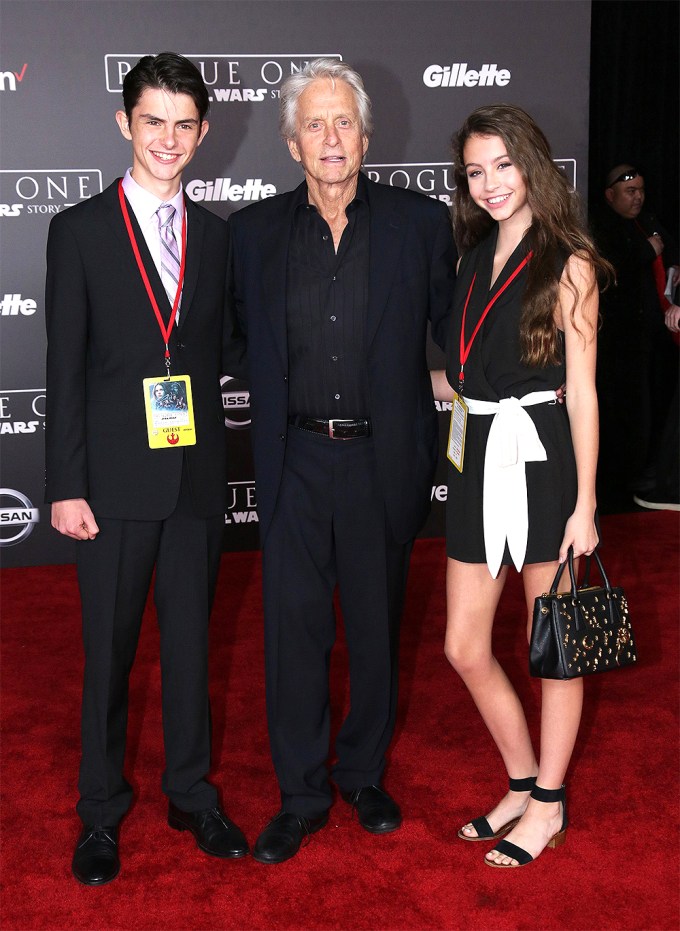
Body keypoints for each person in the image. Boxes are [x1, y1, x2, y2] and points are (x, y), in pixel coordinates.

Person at [226, 58, 456, 864]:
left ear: (366, 134)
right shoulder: (251, 236)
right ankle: (300, 793)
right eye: (315, 125)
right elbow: (225, 342)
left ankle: (362, 772)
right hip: (292, 458)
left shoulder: (420, 225)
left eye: (344, 122)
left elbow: (464, 332)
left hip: (381, 458)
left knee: (375, 625)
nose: (331, 138)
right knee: (292, 634)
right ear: (292, 143)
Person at [45, 52, 247, 886]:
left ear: (204, 133)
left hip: (195, 479)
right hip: (112, 486)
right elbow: (65, 365)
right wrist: (64, 481)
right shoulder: (81, 229)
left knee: (194, 647)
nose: (169, 138)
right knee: (110, 653)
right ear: (125, 123)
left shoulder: (221, 236)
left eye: (185, 124)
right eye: (153, 121)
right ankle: (99, 810)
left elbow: (226, 346)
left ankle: (191, 792)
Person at [431, 104, 611, 868]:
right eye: (475, 171)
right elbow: (459, 374)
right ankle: (520, 776)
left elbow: (585, 388)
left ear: (532, 164)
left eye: (503, 165)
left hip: (545, 467)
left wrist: (586, 504)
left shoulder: (569, 259)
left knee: (556, 648)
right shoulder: (472, 255)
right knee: (463, 644)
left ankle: (549, 801)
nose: (490, 183)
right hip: (476, 462)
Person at [589, 165, 679, 510]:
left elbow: (668, 247)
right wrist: (648, 251)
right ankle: (618, 485)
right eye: (630, 191)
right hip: (616, 342)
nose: (637, 196)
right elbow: (608, 268)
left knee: (648, 410)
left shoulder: (648, 222)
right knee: (620, 412)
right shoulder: (603, 227)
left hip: (650, 339)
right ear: (610, 195)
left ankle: (643, 475)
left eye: (641, 189)